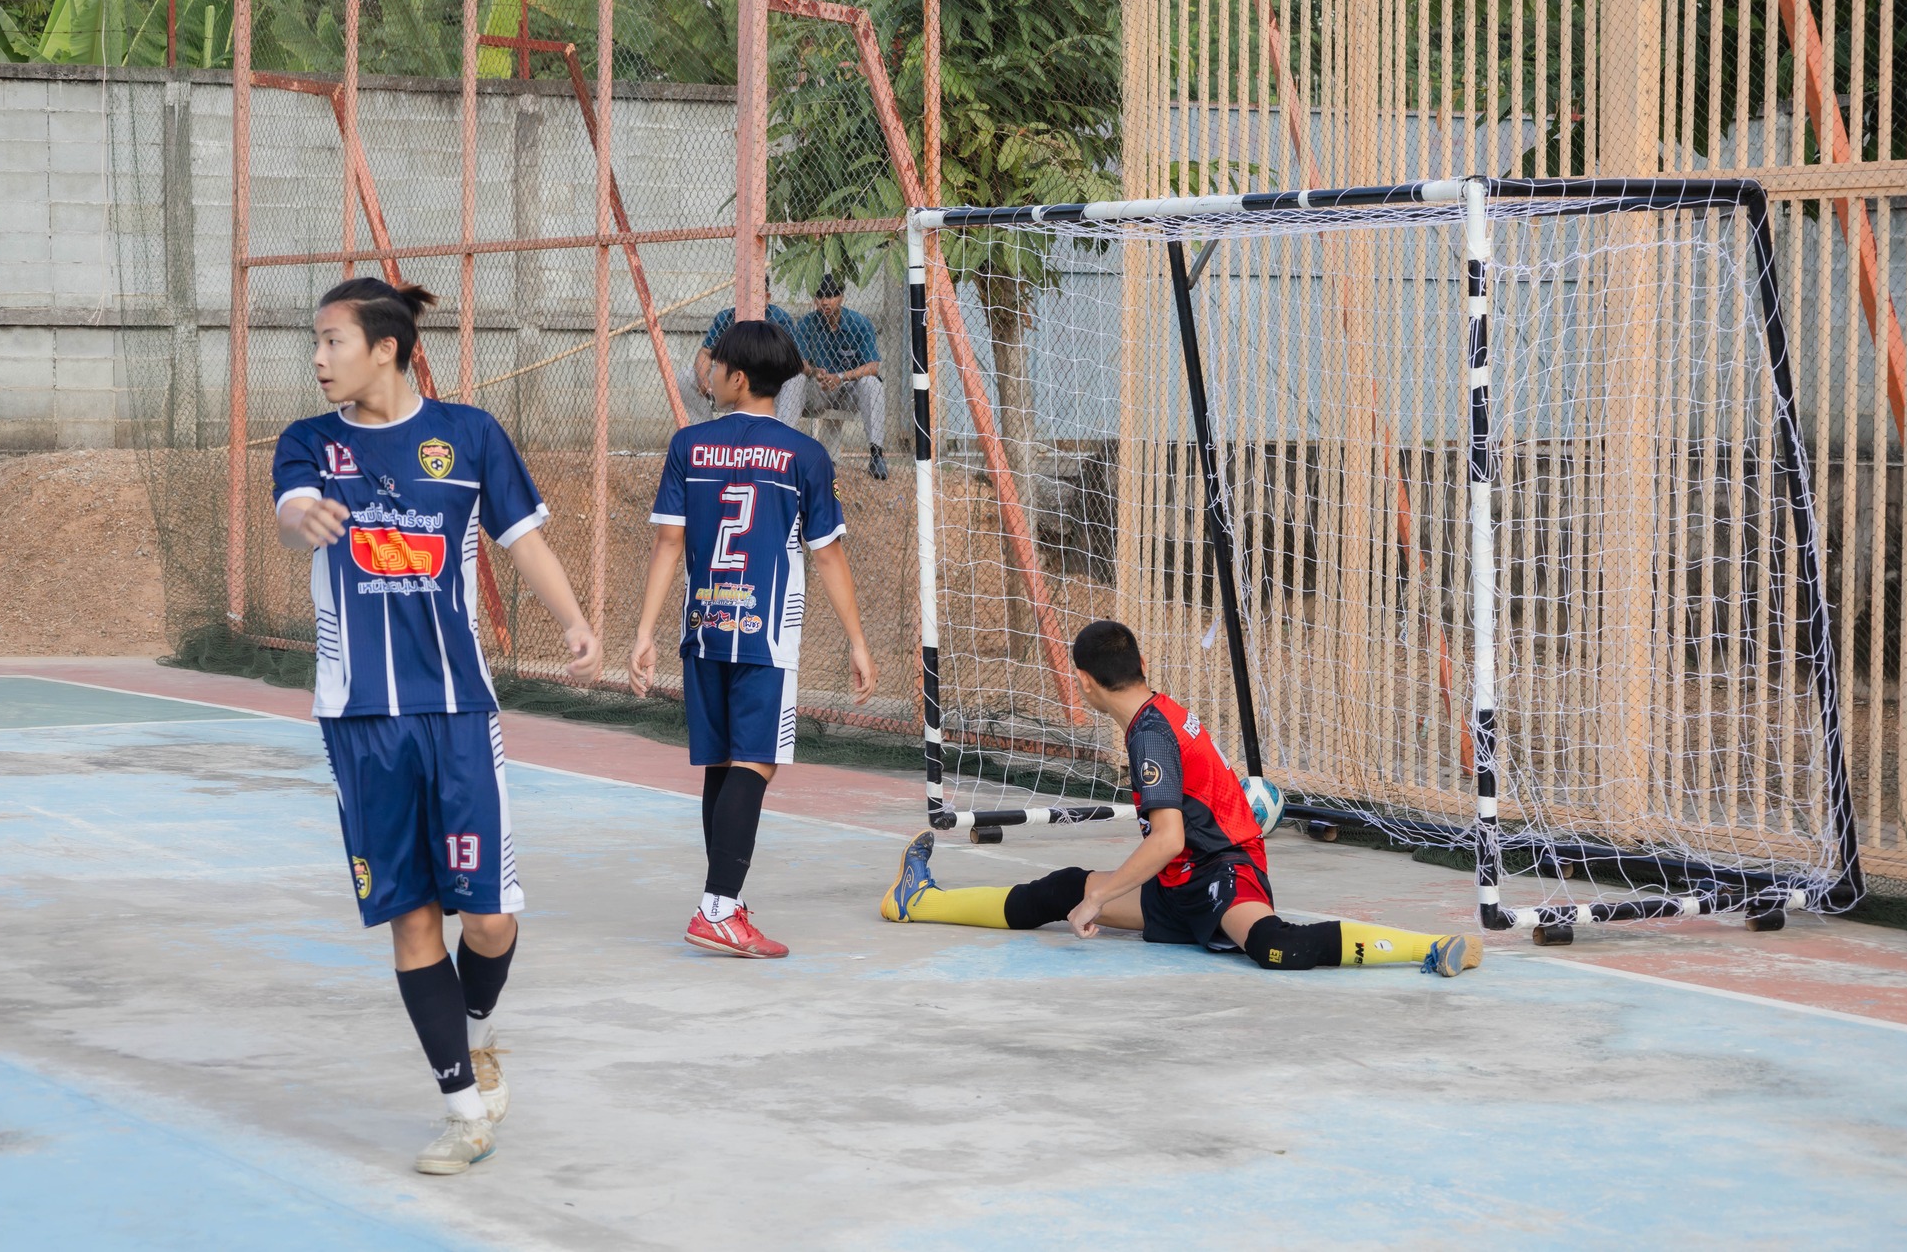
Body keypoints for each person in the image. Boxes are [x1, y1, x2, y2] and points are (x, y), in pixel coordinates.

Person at [272, 277, 602, 1176]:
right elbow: (292, 509)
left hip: (459, 712)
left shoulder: (469, 436)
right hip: (361, 717)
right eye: (316, 342)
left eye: (332, 340)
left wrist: (573, 618)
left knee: (488, 920)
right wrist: (304, 514)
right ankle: (462, 1110)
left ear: (386, 346)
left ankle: (479, 1031)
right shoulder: (310, 443)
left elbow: (523, 537)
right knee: (412, 917)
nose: (317, 357)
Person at [880, 619, 1482, 978]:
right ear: (1140, 664)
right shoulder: (1161, 710)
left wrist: (1103, 899)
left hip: (1222, 873)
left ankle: (1430, 948)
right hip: (1182, 882)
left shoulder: (1150, 731)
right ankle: (917, 900)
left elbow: (1168, 836)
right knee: (1065, 887)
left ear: (1085, 683)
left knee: (1277, 946)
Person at [629, 318, 878, 959]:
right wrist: (856, 640)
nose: (704, 372)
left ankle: (725, 902)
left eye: (713, 363)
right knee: (756, 762)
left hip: (702, 629)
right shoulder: (804, 456)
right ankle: (716, 908)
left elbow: (667, 543)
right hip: (764, 635)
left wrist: (644, 632)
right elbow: (827, 556)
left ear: (737, 378)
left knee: (724, 761)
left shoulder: (691, 445)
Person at [785, 274, 888, 480]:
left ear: (841, 297)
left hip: (848, 391)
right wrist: (816, 373)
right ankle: (780, 448)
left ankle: (877, 455)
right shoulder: (806, 324)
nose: (825, 302)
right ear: (815, 299)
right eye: (820, 296)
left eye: (831, 296)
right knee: (794, 378)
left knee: (871, 383)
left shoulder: (859, 323)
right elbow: (800, 364)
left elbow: (873, 366)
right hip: (819, 389)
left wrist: (840, 377)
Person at [690, 285, 798, 425]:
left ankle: (780, 435)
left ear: (767, 297)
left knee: (796, 378)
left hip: (768, 384)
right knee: (687, 376)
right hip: (733, 379)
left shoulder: (780, 319)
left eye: (755, 295)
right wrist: (703, 379)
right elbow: (705, 352)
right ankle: (705, 433)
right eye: (744, 296)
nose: (749, 301)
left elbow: (792, 361)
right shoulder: (725, 317)